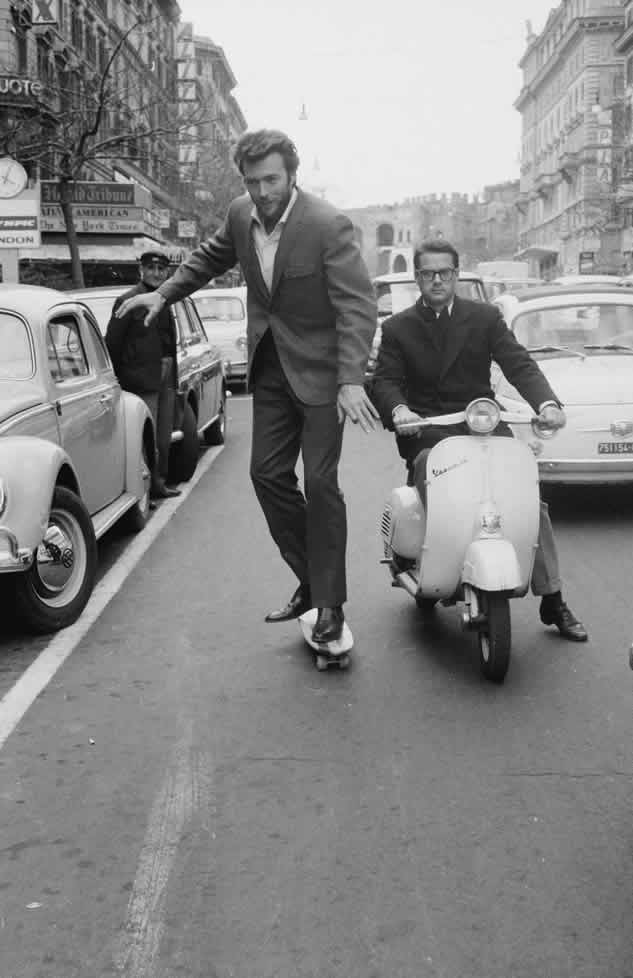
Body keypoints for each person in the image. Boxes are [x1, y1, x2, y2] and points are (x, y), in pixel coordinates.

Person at [114, 129, 378, 643]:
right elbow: (211, 257)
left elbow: (356, 306)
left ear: (291, 175)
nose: (263, 192)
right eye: (253, 182)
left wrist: (351, 380)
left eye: (272, 180)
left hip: (323, 376)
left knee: (322, 486)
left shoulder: (327, 224)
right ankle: (311, 578)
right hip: (271, 370)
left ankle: (330, 604)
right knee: (266, 476)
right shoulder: (239, 214)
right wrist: (163, 295)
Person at [371, 238, 588, 642]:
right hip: (429, 430)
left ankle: (553, 597)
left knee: (527, 501)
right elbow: (384, 379)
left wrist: (546, 402)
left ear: (456, 274)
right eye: (428, 273)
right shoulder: (398, 328)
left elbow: (518, 363)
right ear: (417, 277)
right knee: (434, 486)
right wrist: (400, 410)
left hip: (481, 424)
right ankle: (432, 566)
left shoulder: (484, 318)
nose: (437, 280)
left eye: (445, 273)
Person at [105, 248, 181, 500]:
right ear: (141, 270)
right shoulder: (128, 300)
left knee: (163, 437)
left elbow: (170, 341)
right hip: (140, 380)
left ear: (167, 273)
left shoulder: (165, 300)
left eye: (161, 269)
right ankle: (145, 491)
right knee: (145, 439)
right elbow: (113, 344)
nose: (156, 273)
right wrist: (119, 380)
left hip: (166, 378)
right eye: (151, 268)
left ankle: (159, 483)